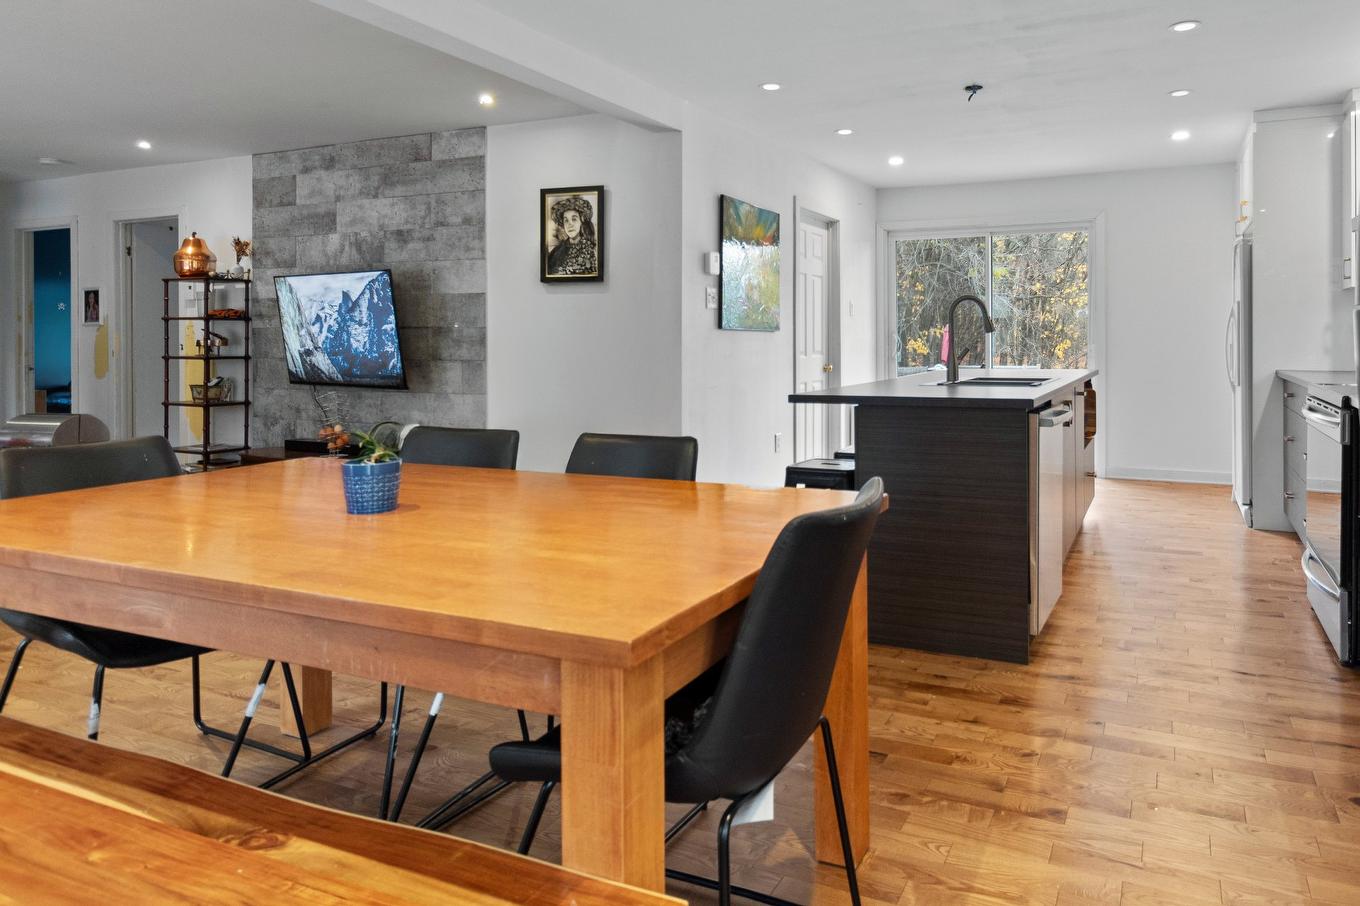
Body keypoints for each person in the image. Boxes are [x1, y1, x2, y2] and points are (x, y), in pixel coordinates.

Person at [545, 195, 598, 277]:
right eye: (566, 220)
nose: (570, 224)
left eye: (574, 219)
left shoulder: (590, 249)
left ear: (581, 221)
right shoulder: (556, 251)